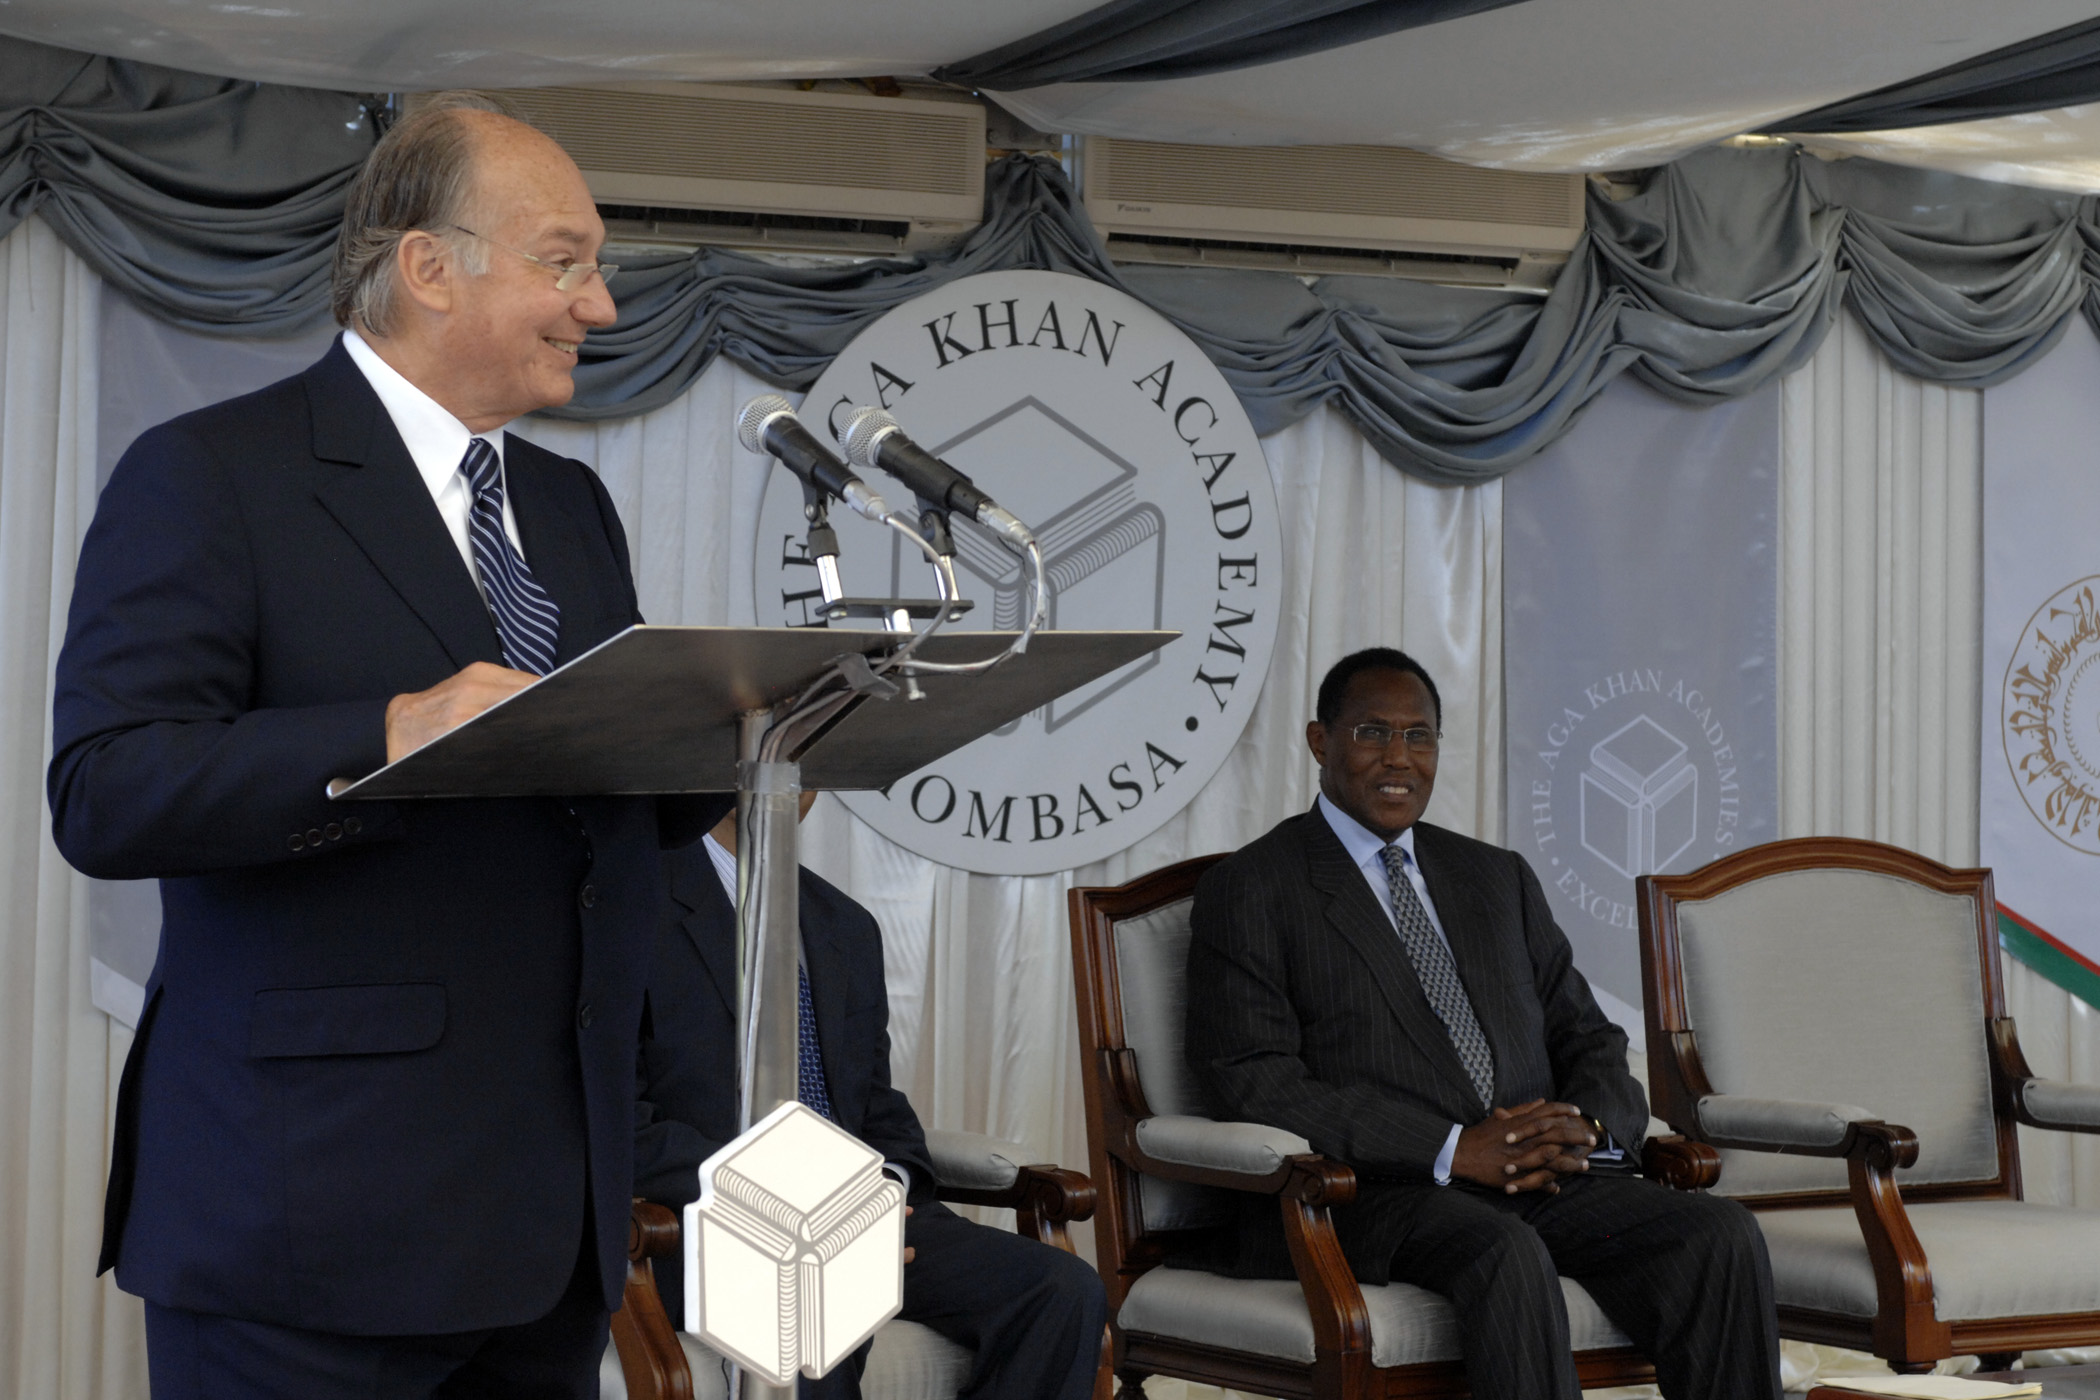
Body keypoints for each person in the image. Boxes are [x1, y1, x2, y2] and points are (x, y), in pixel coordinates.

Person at [47, 96, 727, 1398]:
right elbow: (107, 790)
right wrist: (386, 735)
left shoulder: (570, 506)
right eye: (564, 261)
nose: (602, 308)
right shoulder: (210, 475)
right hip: (310, 1226)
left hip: (543, 1234)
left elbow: (594, 810)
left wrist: (738, 731)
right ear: (428, 266)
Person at [1185, 647, 1781, 1400]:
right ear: (1318, 741)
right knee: (1502, 1252)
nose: (1398, 758)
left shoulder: (1495, 877)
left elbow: (1589, 1037)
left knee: (1717, 1237)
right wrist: (1453, 1150)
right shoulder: (1253, 886)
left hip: (1539, 1177)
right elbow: (1253, 1080)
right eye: (1372, 733)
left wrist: (1586, 1132)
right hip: (1369, 1195)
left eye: (1419, 736)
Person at [635, 794, 1108, 1400]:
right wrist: (788, 1198)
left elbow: (876, 1103)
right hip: (711, 1222)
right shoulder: (633, 904)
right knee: (817, 1310)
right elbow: (623, 1125)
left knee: (1062, 1290)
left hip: (863, 1215)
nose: (791, 773)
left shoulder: (845, 923)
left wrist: (883, 1192)